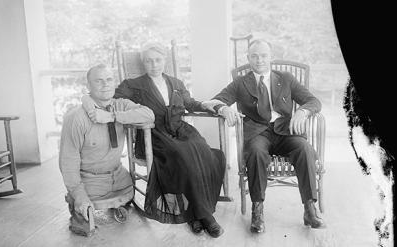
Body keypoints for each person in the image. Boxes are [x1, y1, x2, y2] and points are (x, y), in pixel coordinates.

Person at [81, 43, 226, 238]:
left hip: (180, 130)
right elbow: (108, 98)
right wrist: (87, 101)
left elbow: (190, 103)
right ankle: (205, 216)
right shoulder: (133, 84)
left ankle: (192, 214)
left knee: (206, 153)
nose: (154, 64)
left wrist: (210, 105)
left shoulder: (176, 83)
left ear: (164, 61)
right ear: (143, 63)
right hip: (154, 133)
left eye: (158, 60)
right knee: (184, 156)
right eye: (148, 61)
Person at [205, 39, 325, 233]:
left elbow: (313, 101)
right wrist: (224, 108)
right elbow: (213, 101)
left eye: (263, 55)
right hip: (258, 133)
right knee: (255, 152)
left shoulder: (285, 78)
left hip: (286, 132)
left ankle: (310, 209)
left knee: (305, 149)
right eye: (254, 56)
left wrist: (302, 112)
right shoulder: (241, 83)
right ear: (248, 58)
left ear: (271, 57)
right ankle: (258, 210)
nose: (259, 60)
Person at [59, 64, 154, 235]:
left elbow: (149, 114)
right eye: (98, 81)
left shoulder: (121, 105)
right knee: (85, 220)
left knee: (127, 198)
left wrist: (112, 116)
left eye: (109, 79)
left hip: (119, 178)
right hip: (90, 181)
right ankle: (77, 204)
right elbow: (68, 161)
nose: (105, 84)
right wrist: (79, 196)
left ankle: (116, 202)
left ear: (114, 83)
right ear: (88, 86)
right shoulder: (75, 117)